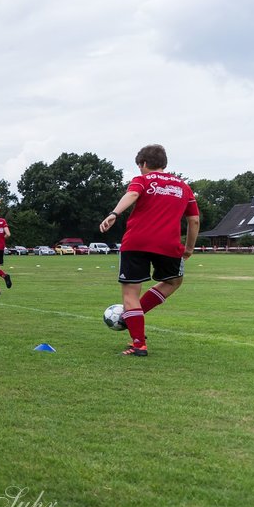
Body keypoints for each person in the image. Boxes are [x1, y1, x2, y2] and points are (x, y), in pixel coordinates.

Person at [99, 144, 200, 357]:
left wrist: (114, 213)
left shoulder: (142, 180)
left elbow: (133, 195)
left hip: (137, 242)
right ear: (164, 163)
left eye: (140, 166)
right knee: (174, 281)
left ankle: (138, 342)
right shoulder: (183, 187)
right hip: (169, 244)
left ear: (144, 164)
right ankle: (134, 319)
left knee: (130, 293)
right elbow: (194, 220)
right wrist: (189, 248)